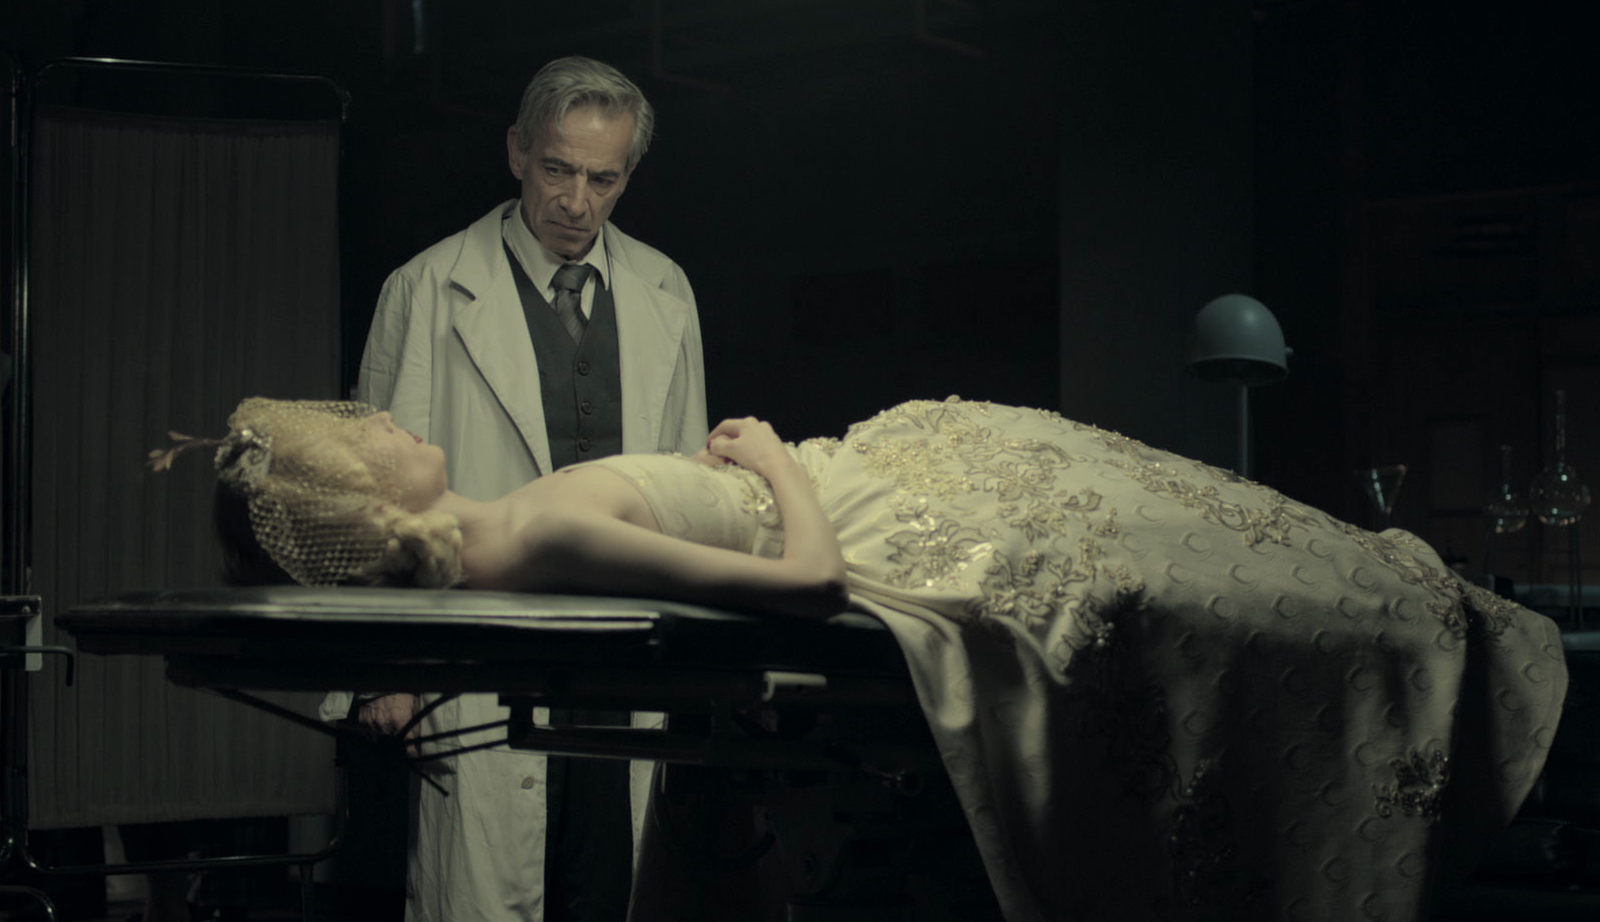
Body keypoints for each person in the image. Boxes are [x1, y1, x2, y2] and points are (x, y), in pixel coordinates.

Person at [163, 393, 1567, 922]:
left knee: (1152, 507)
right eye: (369, 431)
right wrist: (779, 458)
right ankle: (1437, 647)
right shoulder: (543, 525)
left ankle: (1417, 630)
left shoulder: (518, 526)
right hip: (861, 519)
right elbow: (812, 583)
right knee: (1166, 555)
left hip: (867, 483)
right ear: (370, 496)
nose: (391, 416)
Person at [328, 55, 707, 922]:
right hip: (480, 647)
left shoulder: (666, 291)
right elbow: (374, 492)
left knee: (612, 885)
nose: (576, 201)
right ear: (515, 153)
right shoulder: (426, 288)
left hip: (621, 656)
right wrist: (385, 671)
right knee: (489, 883)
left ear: (628, 174)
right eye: (556, 170)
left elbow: (691, 488)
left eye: (603, 179)